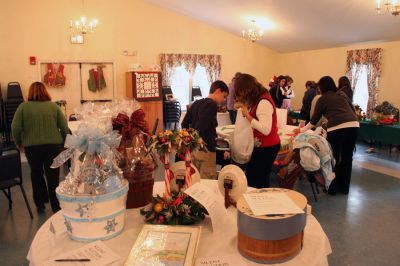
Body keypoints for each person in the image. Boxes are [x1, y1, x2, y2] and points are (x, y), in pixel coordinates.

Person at [296, 76, 359, 195]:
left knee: (333, 159)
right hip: (354, 126)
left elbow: (314, 120)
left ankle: (333, 189)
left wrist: (301, 130)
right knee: (347, 158)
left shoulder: (322, 99)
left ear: (322, 87)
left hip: (337, 128)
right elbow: (352, 111)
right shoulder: (341, 95)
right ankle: (344, 189)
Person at [11, 82, 68, 213]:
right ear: (45, 91)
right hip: (53, 146)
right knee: (53, 176)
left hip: (32, 148)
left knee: (36, 174)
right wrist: (65, 142)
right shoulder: (53, 107)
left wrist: (18, 142)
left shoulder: (23, 107)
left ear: (30, 92)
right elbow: (64, 127)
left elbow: (15, 127)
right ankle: (56, 206)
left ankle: (40, 204)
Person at [234, 74, 281, 188]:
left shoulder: (263, 102)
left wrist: (248, 115)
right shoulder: (258, 99)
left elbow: (265, 130)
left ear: (247, 90)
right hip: (262, 146)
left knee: (258, 180)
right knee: (254, 177)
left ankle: (260, 202)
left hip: (267, 147)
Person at [181, 80, 229, 179]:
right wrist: (199, 139)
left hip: (194, 150)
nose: (224, 100)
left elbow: (184, 124)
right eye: (224, 96)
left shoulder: (196, 103)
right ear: (218, 91)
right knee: (207, 183)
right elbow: (200, 128)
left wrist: (191, 140)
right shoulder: (212, 105)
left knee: (195, 180)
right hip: (206, 151)